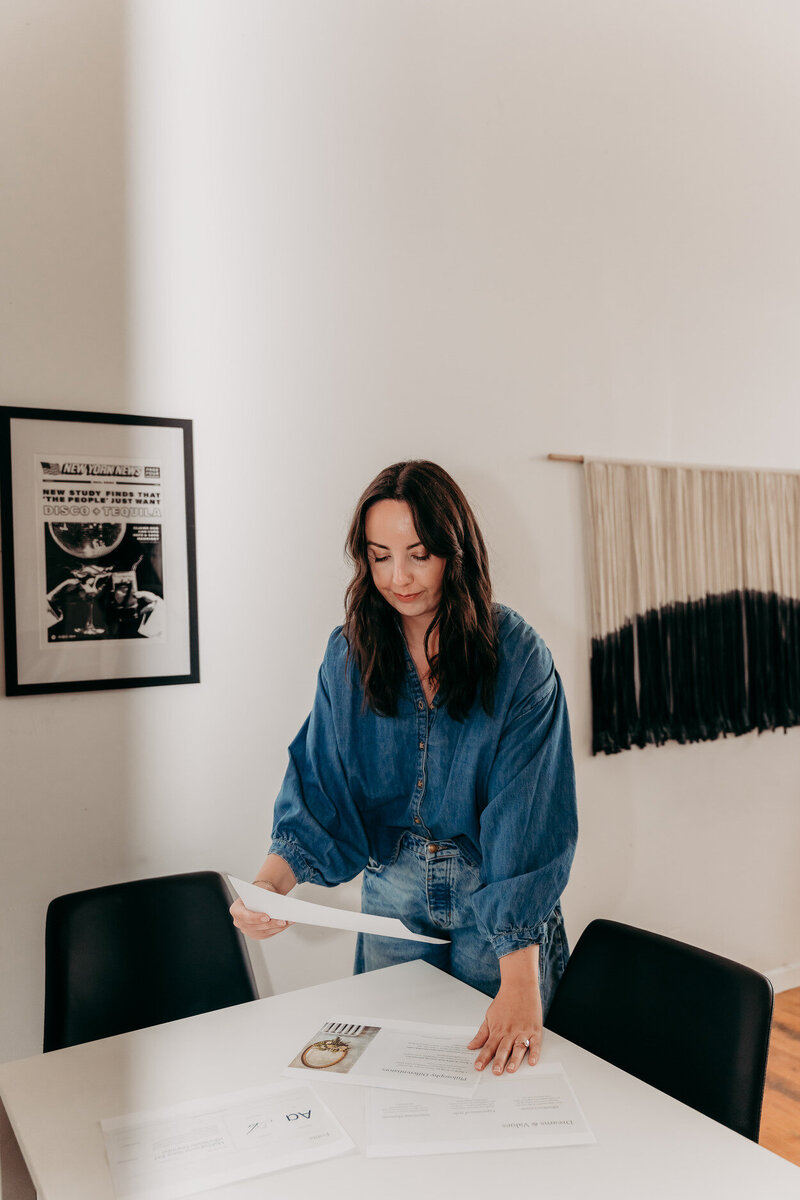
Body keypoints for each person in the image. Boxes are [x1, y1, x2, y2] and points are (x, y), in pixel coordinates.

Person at [231, 461, 577, 1076]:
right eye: (379, 556)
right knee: (392, 1076)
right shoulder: (350, 653)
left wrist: (519, 978)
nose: (399, 577)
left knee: (507, 1082)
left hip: (493, 901)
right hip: (390, 894)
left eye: (418, 554)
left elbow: (527, 816)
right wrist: (270, 886)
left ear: (455, 550)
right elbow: (321, 780)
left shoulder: (517, 655)